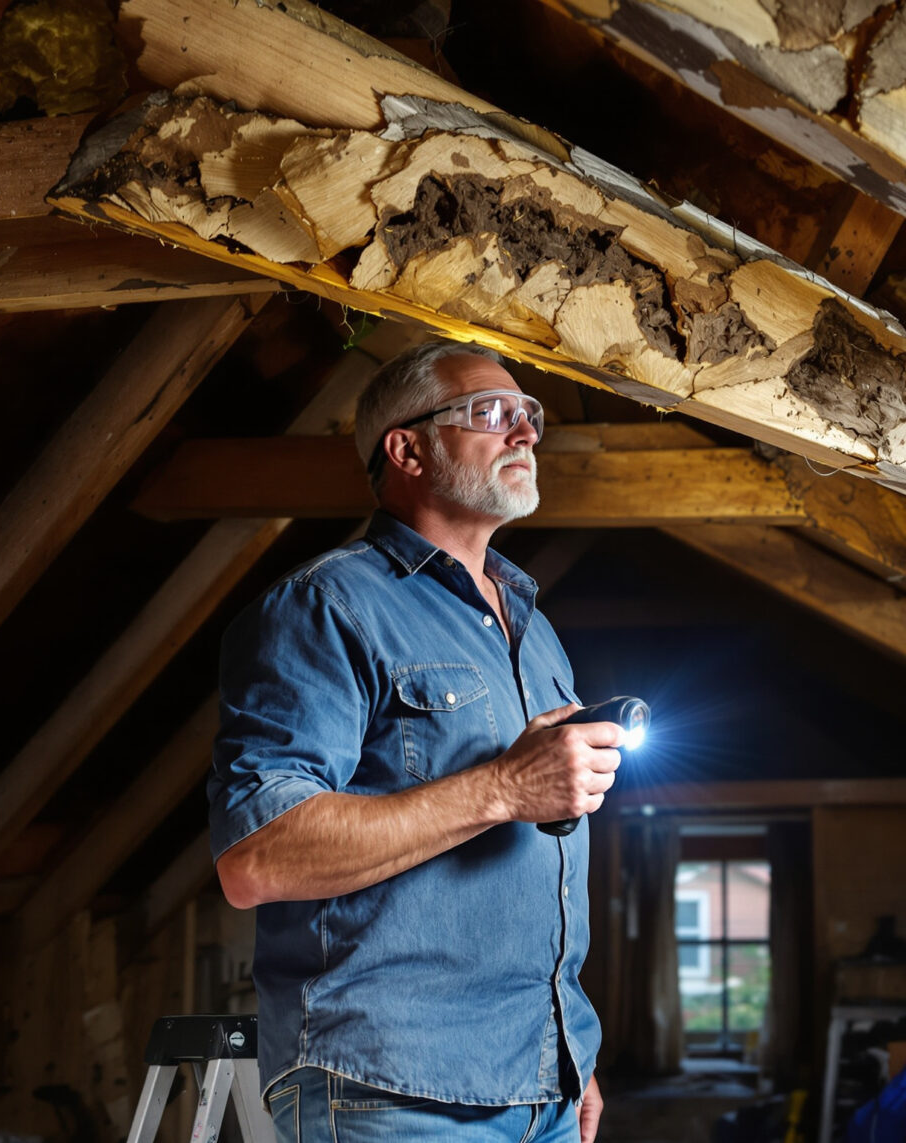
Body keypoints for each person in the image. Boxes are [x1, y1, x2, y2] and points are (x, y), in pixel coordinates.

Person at [207, 340, 620, 1143]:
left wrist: (566, 1051)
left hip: (543, 1085)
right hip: (391, 1090)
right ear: (407, 448)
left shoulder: (533, 629)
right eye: (492, 414)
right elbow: (256, 856)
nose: (526, 433)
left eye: (529, 416)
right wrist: (502, 788)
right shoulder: (324, 607)